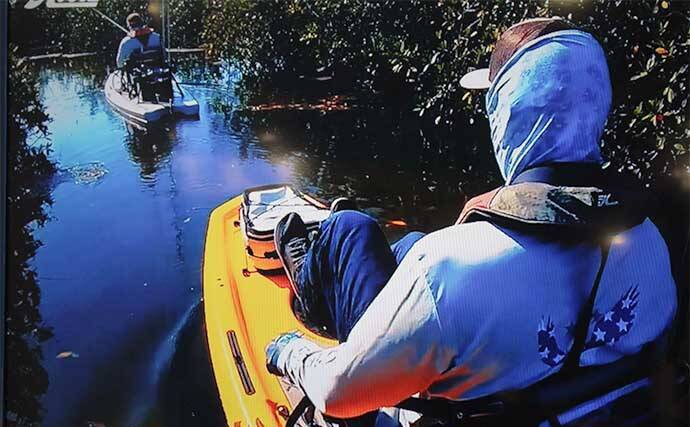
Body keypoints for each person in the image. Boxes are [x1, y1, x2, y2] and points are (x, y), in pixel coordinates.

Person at [265, 18, 678, 426]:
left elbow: (338, 395)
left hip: (403, 407)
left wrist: (289, 352)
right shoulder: (650, 243)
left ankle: (312, 281)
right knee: (411, 244)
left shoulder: (448, 266)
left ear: (508, 112)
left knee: (350, 228)